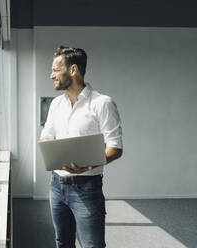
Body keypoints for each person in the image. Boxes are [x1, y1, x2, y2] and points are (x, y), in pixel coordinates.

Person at [40, 46, 123, 248]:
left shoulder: (102, 103)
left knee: (92, 245)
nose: (51, 75)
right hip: (56, 186)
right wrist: (52, 150)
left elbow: (115, 147)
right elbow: (46, 137)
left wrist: (88, 165)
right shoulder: (56, 105)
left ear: (73, 70)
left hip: (87, 188)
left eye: (56, 70)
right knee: (62, 243)